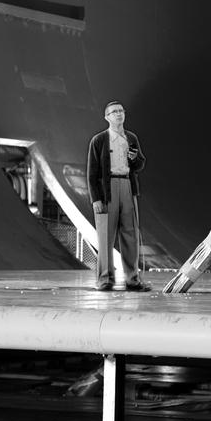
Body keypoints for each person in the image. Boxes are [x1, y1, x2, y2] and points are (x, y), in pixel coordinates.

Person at [86, 101, 151, 292]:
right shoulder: (98, 140)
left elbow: (140, 165)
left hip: (127, 186)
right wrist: (95, 199)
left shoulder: (131, 138)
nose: (119, 114)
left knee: (130, 234)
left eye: (121, 111)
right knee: (106, 235)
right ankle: (104, 279)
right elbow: (91, 173)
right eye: (114, 112)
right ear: (106, 117)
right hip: (107, 190)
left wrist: (135, 158)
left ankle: (133, 279)